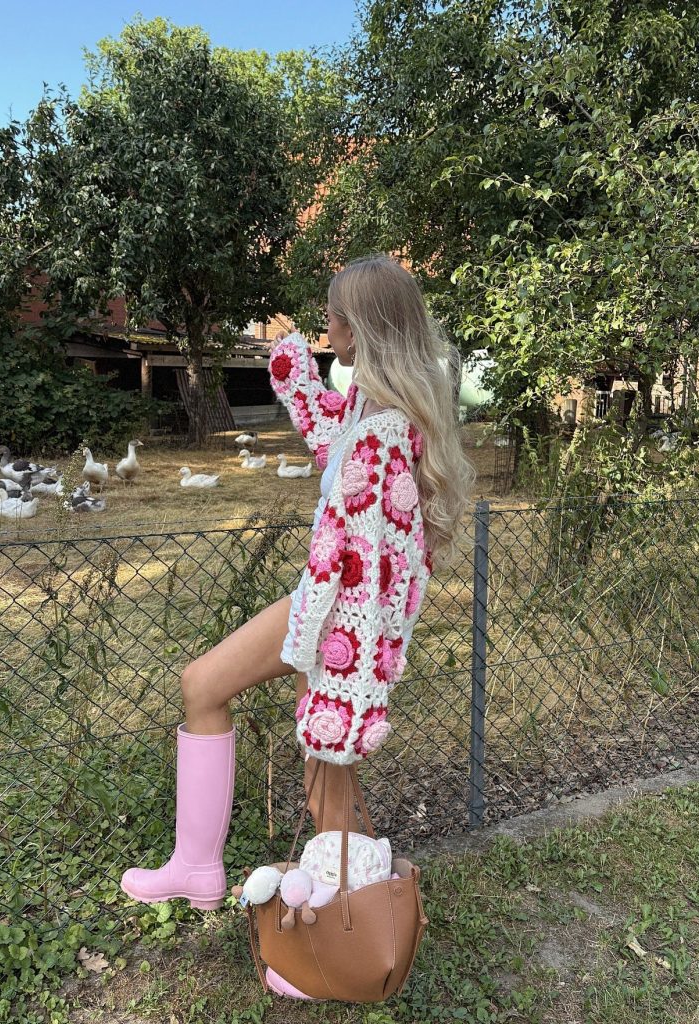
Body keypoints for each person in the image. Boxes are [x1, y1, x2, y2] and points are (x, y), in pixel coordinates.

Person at [119, 254, 475, 993]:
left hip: (341, 624)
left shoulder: (383, 433)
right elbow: (330, 444)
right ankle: (206, 869)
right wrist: (293, 376)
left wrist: (345, 677)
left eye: (332, 316)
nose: (325, 327)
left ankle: (342, 944)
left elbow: (376, 567)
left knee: (313, 762)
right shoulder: (374, 414)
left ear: (358, 329)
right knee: (245, 717)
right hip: (328, 610)